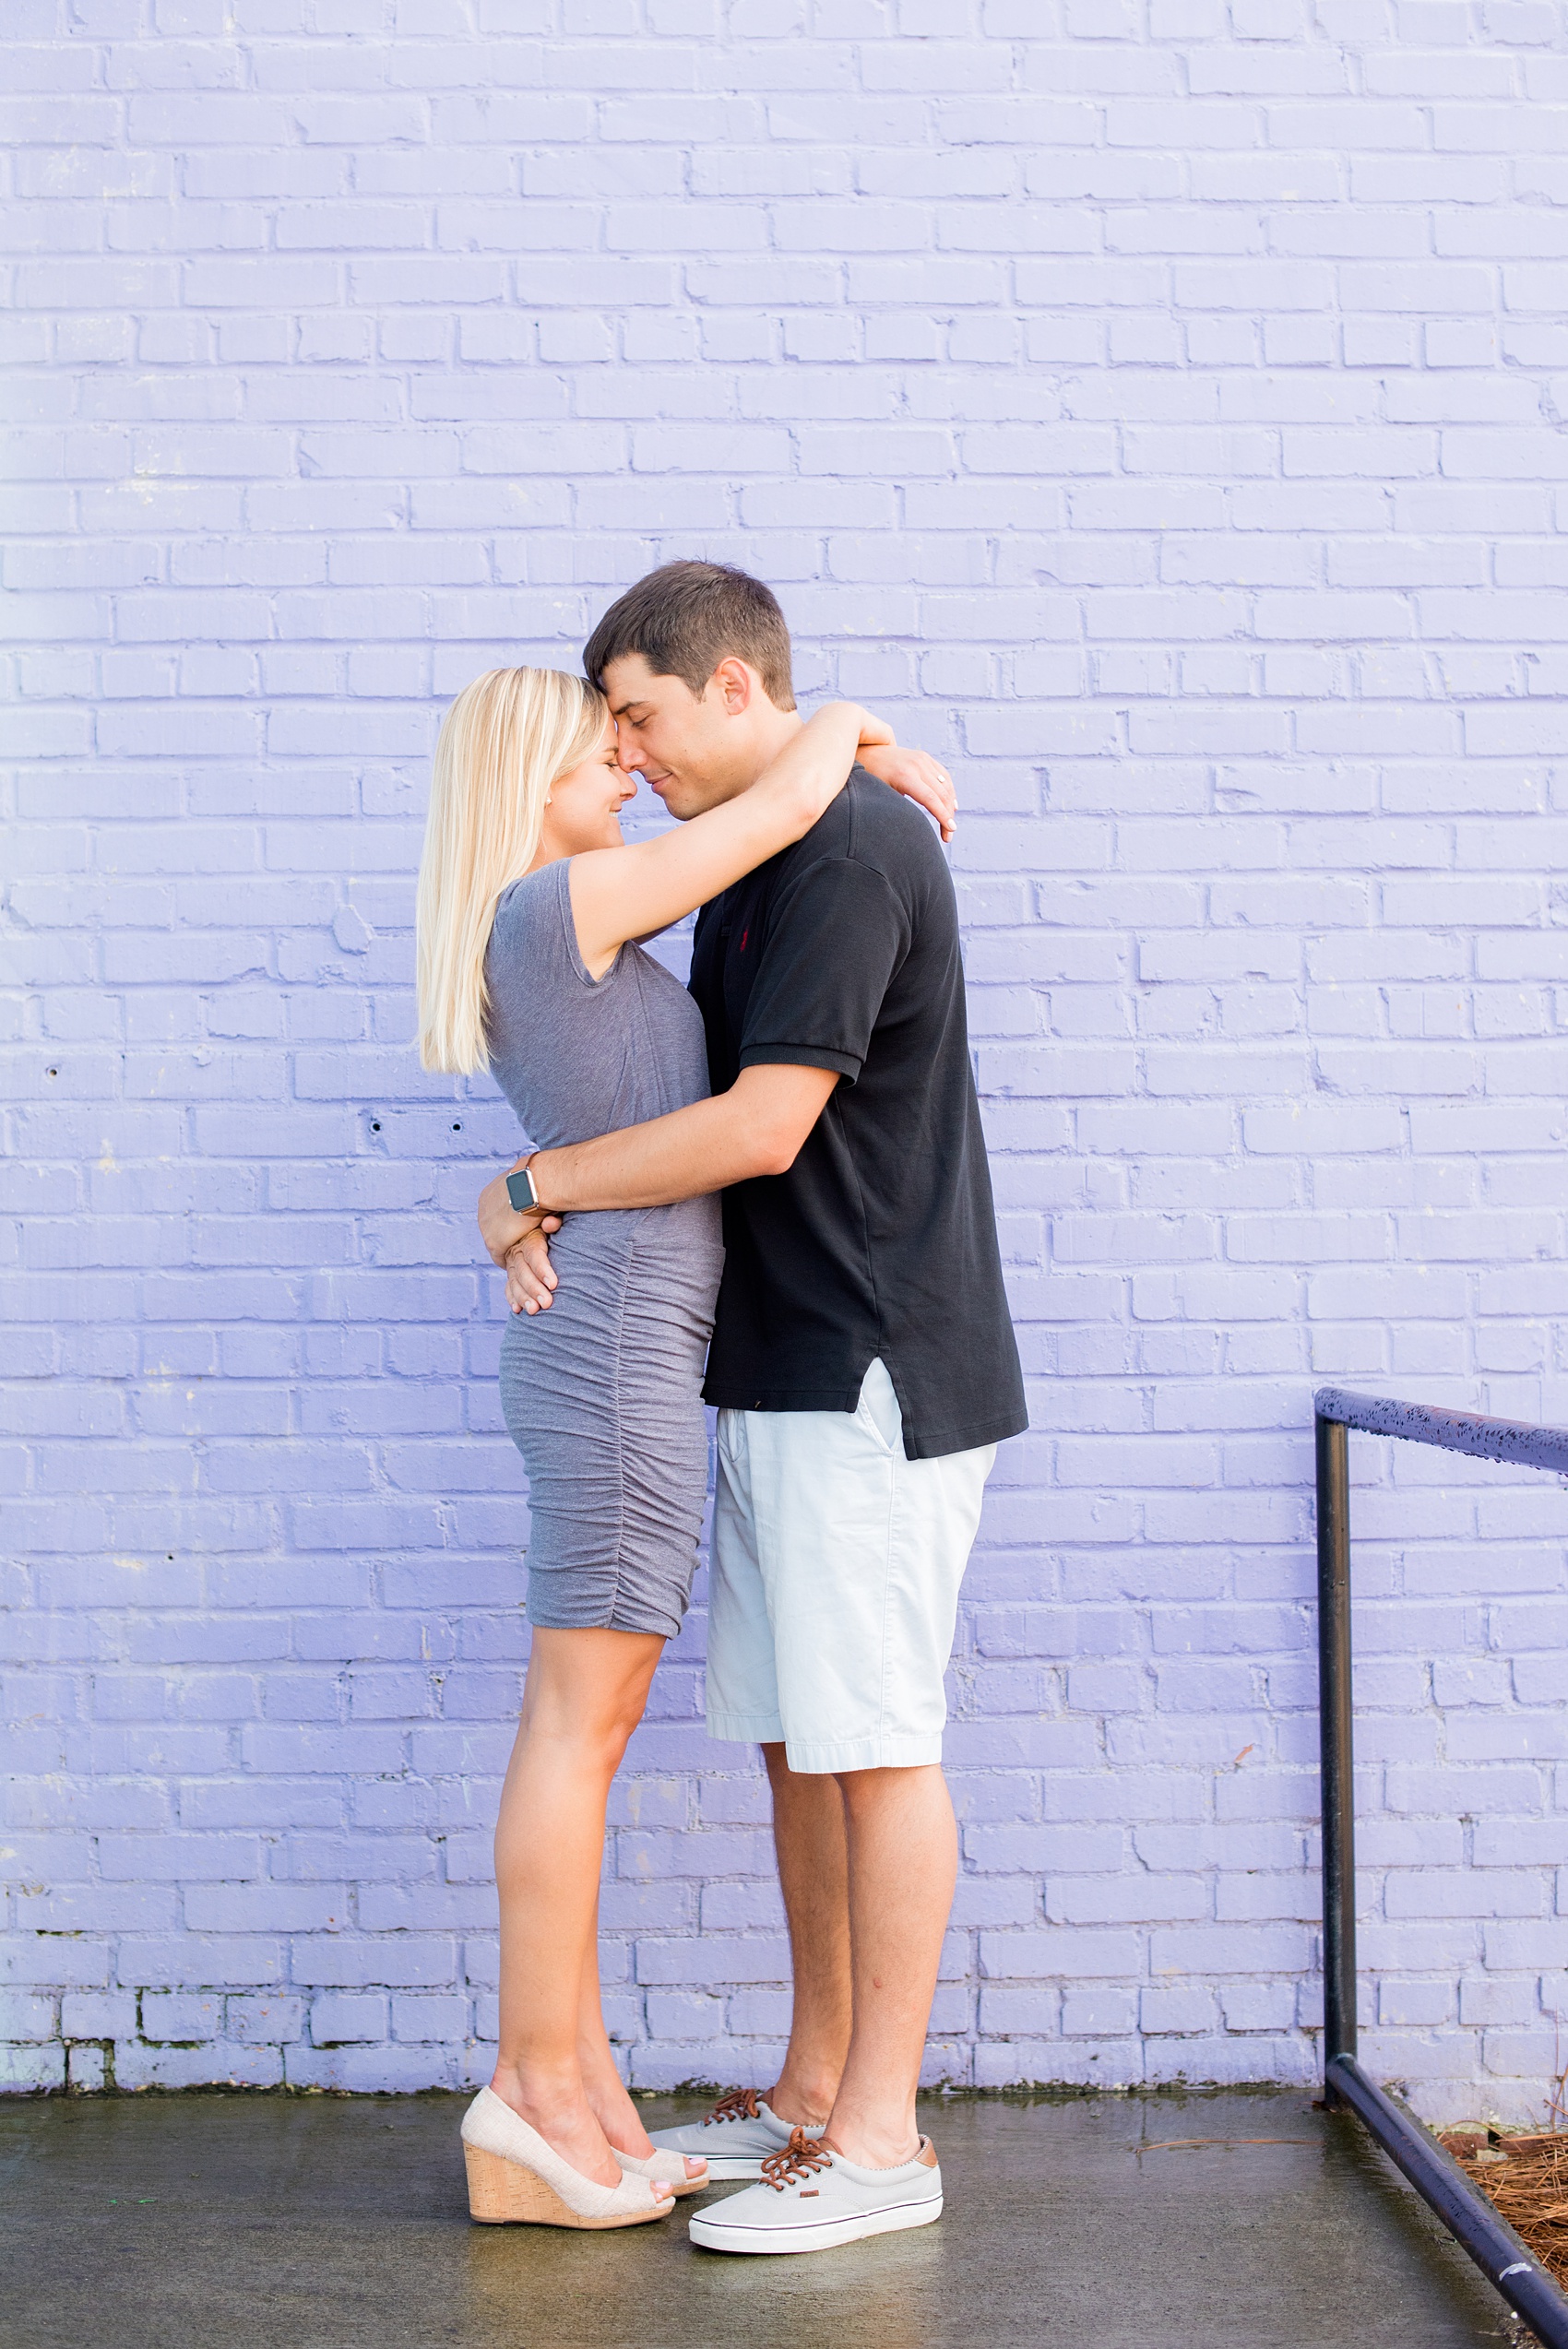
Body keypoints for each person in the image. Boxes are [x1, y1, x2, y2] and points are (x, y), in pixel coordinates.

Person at [482, 561, 1028, 2256]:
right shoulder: (746, 869)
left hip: (872, 1360)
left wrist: (538, 1180)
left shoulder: (858, 847)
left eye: (638, 713)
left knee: (879, 1743)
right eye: (606, 734)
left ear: (732, 688)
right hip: (773, 1363)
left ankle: (881, 2143)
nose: (628, 754)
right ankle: (810, 2095)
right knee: (805, 1746)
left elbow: (766, 1126)